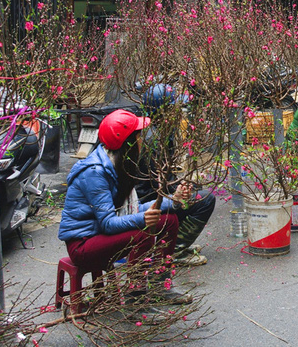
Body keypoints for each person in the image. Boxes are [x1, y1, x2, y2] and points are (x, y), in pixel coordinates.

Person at [58, 109, 191, 304]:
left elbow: (134, 209)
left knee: (169, 220)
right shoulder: (94, 173)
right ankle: (135, 299)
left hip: (102, 237)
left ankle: (159, 284)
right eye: (138, 137)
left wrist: (174, 199)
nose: (141, 141)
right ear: (127, 144)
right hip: (84, 244)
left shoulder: (120, 164)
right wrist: (142, 219)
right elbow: (108, 224)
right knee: (142, 232)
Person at [136, 83, 216, 267]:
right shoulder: (152, 140)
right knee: (206, 200)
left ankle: (174, 241)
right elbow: (159, 184)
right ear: (163, 111)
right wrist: (178, 190)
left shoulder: (156, 133)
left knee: (196, 190)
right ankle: (173, 250)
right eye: (174, 108)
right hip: (149, 201)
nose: (179, 112)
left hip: (154, 194)